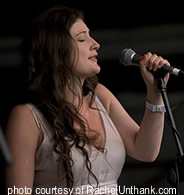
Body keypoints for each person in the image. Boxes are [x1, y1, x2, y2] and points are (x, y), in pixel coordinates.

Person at [5, 5, 170, 195]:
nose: (95, 44)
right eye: (82, 38)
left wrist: (155, 93)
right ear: (56, 51)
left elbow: (146, 151)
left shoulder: (100, 95)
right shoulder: (26, 117)